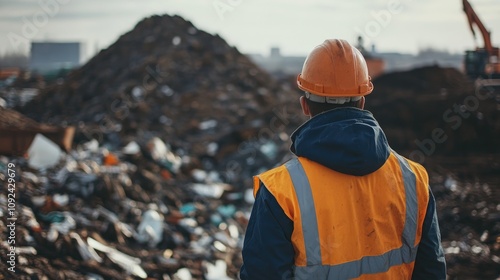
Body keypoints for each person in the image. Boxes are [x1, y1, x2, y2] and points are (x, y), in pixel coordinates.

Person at [240, 39, 446, 280]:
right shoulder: (414, 179)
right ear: (362, 101)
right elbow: (431, 270)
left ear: (305, 105)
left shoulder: (280, 191)